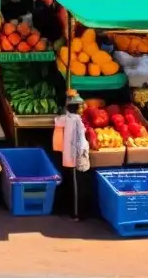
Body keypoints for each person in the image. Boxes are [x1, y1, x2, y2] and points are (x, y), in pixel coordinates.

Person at [54, 91, 90, 219]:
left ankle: (75, 212)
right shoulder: (76, 120)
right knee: (77, 182)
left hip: (72, 155)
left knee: (74, 182)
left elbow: (57, 121)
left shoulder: (67, 119)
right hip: (77, 155)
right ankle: (77, 213)